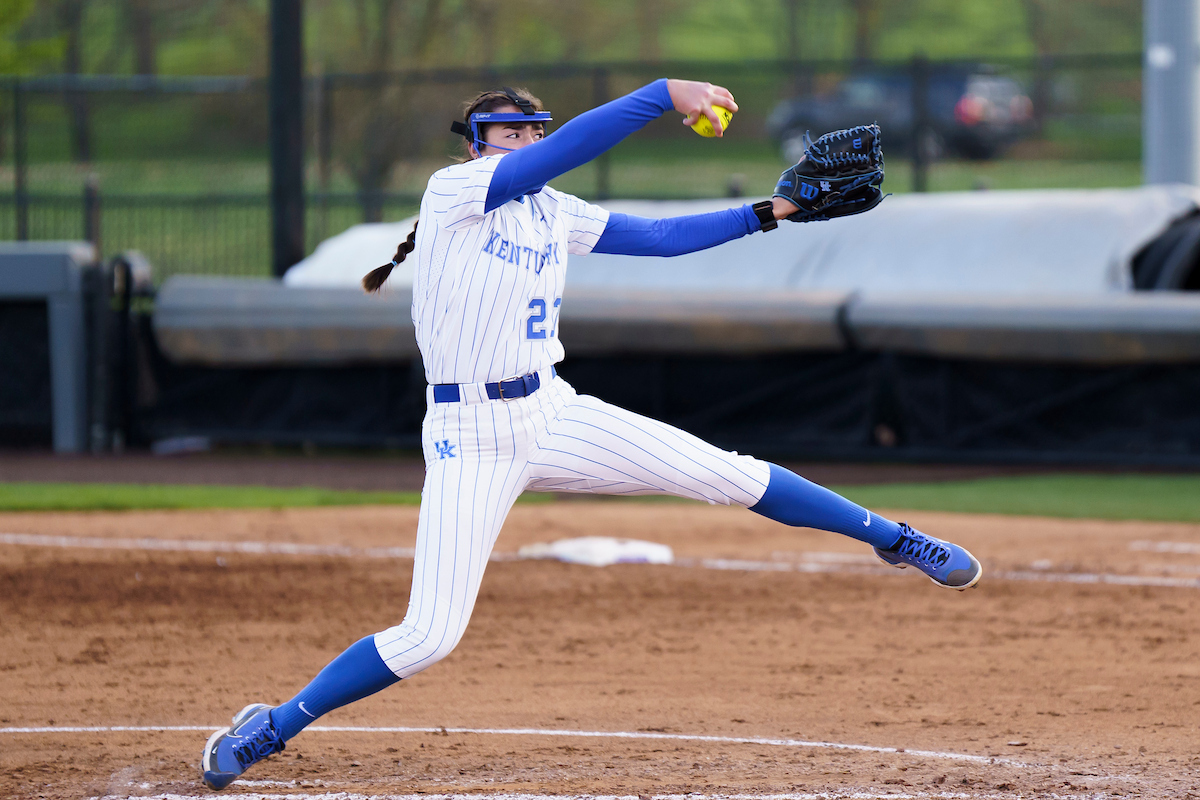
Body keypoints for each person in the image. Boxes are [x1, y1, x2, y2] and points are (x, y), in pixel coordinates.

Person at [201, 78, 981, 791]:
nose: (519, 142)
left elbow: (662, 239)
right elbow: (569, 149)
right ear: (475, 145)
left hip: (552, 412)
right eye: (502, 132)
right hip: (469, 434)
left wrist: (771, 211)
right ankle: (273, 725)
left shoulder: (554, 211)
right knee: (430, 635)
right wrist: (662, 93)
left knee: (726, 472)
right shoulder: (456, 191)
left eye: (528, 130)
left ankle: (894, 539)